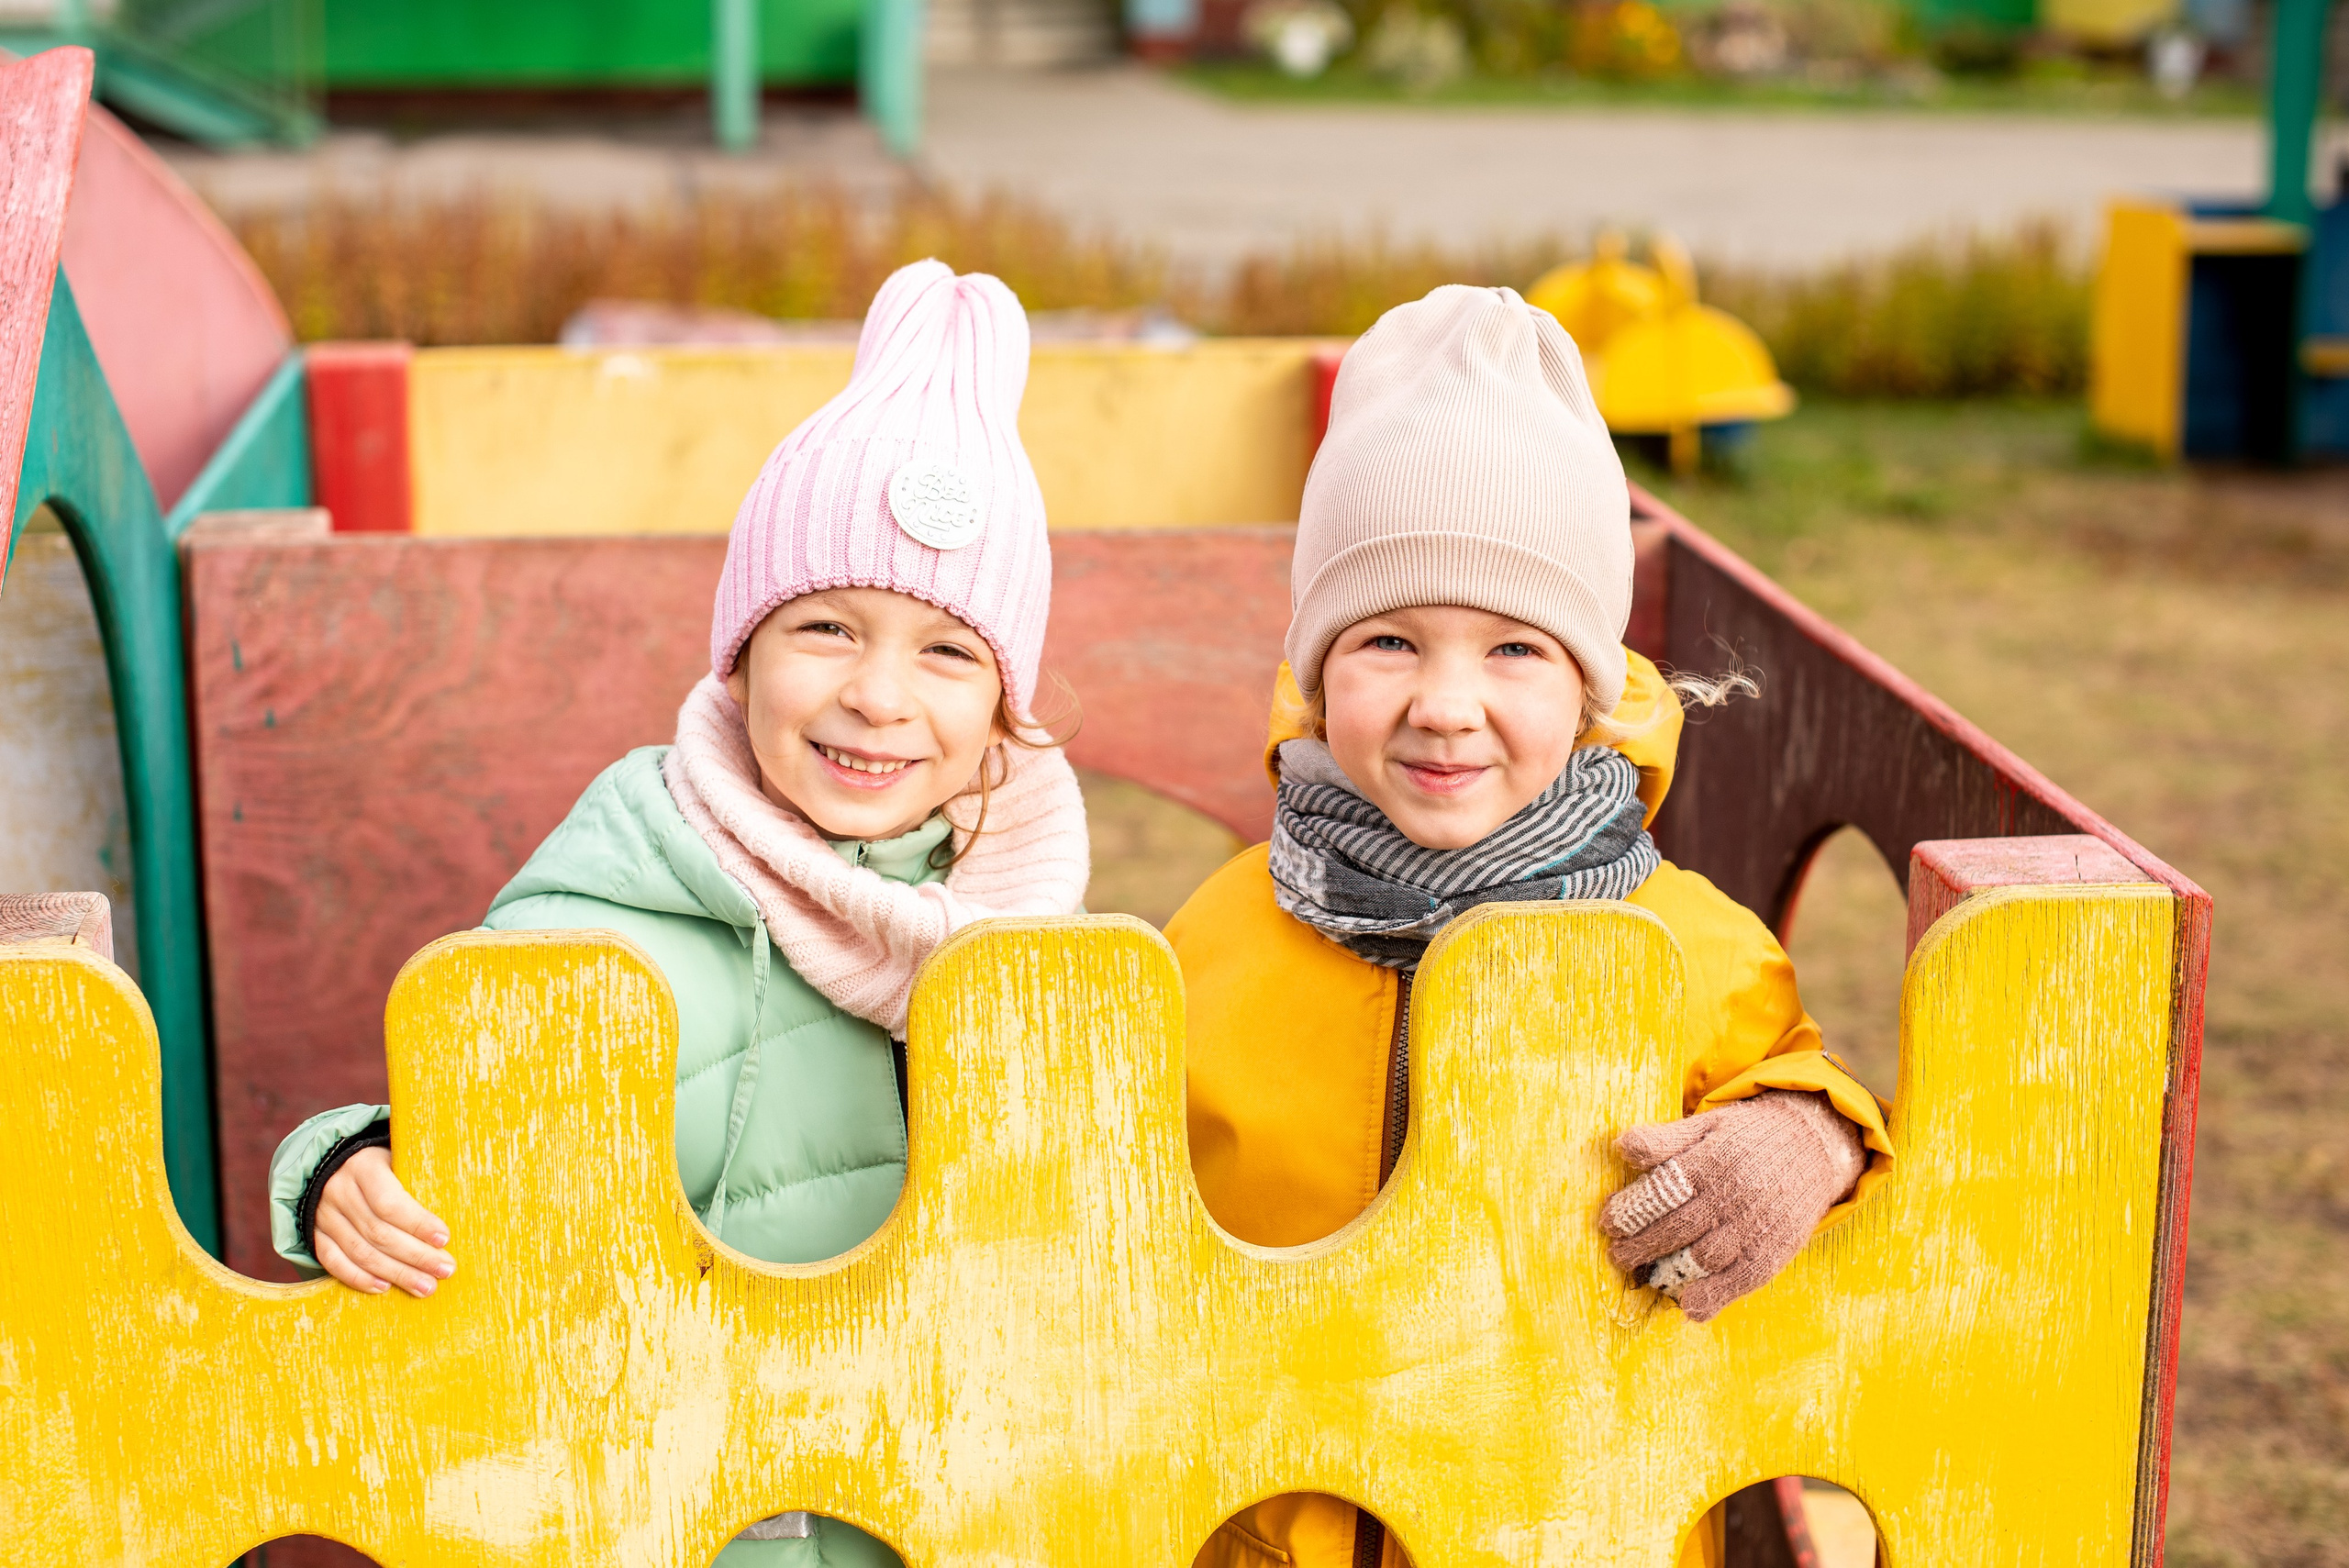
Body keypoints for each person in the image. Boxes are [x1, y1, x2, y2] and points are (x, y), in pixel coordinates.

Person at [262, 260, 1088, 1567]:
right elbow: (468, 1148)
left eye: (946, 651)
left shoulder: (1028, 937)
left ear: (1001, 710)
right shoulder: (621, 903)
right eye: (825, 624)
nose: (879, 694)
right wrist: (340, 1169)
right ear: (742, 651)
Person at [1166, 284, 1894, 1568]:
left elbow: (1804, 1074)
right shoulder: (1225, 932)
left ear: (1593, 686)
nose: (1447, 705)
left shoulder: (1683, 941)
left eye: (1515, 651)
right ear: (1317, 670)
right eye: (1388, 639)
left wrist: (1800, 1137)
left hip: (1569, 1527)